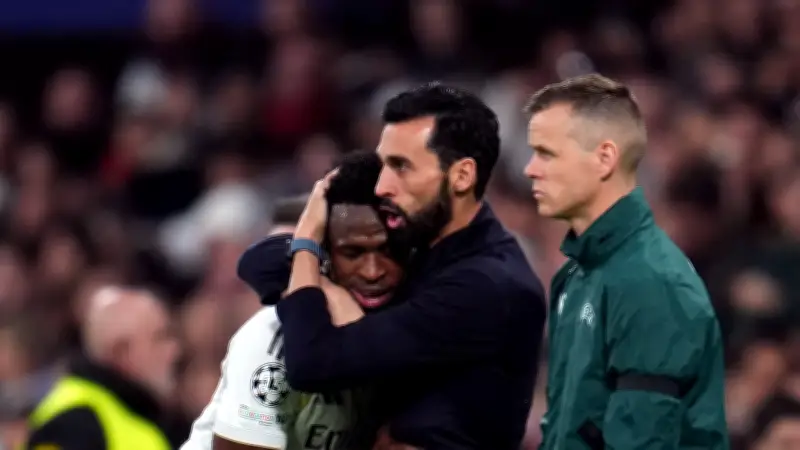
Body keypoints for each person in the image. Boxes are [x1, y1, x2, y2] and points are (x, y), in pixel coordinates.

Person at [277, 83, 546, 449]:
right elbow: (261, 265)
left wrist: (308, 241)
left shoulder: (486, 286)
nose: (381, 186)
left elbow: (312, 364)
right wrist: (331, 287)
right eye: (383, 165)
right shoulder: (417, 238)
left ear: (462, 176)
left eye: (401, 167)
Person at [522, 73, 728, 449]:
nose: (530, 169)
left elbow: (643, 440)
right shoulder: (578, 275)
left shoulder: (651, 282)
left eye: (548, 153)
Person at [180, 151, 409, 450]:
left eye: (389, 251)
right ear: (326, 256)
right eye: (352, 253)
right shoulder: (271, 341)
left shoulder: (423, 322)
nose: (372, 271)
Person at [26, 287, 179, 450]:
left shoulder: (140, 414)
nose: (174, 350)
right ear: (122, 352)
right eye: (160, 338)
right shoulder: (72, 422)